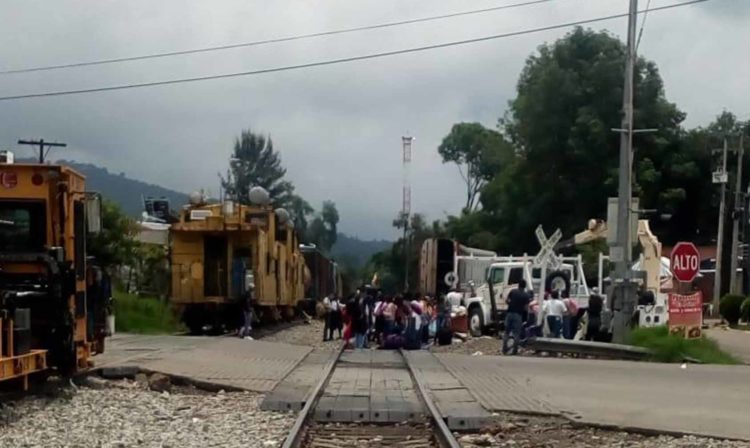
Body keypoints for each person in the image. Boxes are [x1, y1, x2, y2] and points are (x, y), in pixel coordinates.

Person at [503, 279, 531, 355]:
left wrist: (511, 304)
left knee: (506, 332)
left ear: (518, 285)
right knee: (516, 333)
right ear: (525, 286)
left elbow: (507, 300)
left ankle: (504, 349)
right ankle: (514, 350)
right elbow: (526, 308)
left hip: (509, 313)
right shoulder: (526, 295)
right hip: (518, 315)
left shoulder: (513, 291)